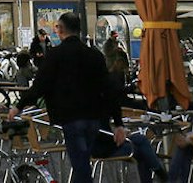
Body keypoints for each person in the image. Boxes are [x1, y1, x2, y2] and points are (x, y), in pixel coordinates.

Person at [19, 12, 123, 183]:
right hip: (93, 118)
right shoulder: (94, 55)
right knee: (81, 163)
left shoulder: (55, 55)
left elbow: (40, 85)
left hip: (69, 118)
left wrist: (19, 105)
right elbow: (108, 89)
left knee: (81, 166)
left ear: (60, 30)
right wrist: (118, 122)